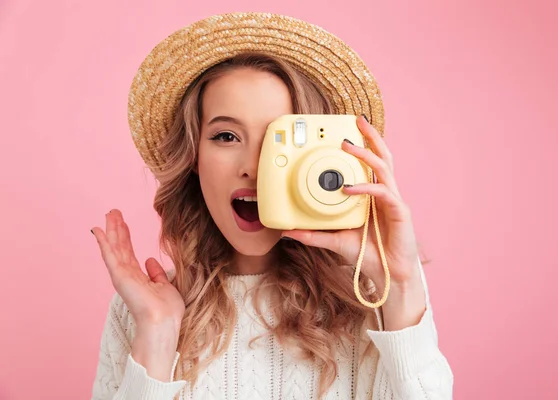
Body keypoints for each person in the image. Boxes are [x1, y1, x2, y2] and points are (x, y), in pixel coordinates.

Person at [90, 12, 454, 400]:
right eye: (226, 136)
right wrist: (158, 335)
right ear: (194, 157)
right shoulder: (143, 309)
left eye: (278, 140)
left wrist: (400, 286)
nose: (253, 167)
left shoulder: (372, 296)